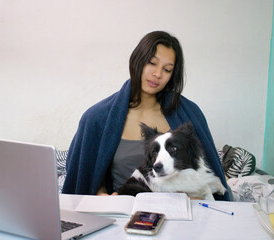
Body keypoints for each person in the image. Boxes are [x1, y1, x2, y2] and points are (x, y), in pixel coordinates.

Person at [62, 31, 230, 201]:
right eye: (152, 63)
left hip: (186, 211)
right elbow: (88, 174)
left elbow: (207, 172)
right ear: (138, 60)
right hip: (124, 210)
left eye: (167, 69)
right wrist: (102, 195)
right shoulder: (97, 118)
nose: (158, 74)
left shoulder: (189, 113)